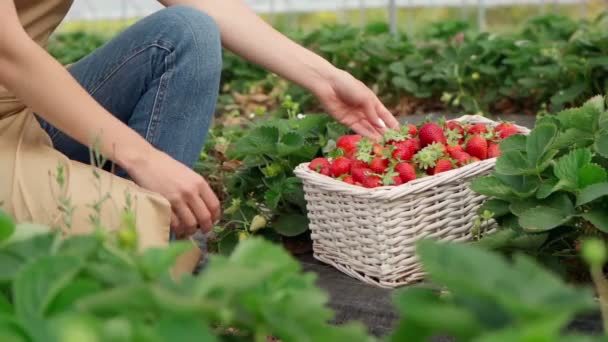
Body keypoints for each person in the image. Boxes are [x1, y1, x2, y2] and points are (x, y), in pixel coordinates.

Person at [0, 0, 399, 275]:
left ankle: (154, 248)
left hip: (25, 107)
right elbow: (8, 52)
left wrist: (326, 79)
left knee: (185, 31)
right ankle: (147, 265)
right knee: (150, 244)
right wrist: (145, 158)